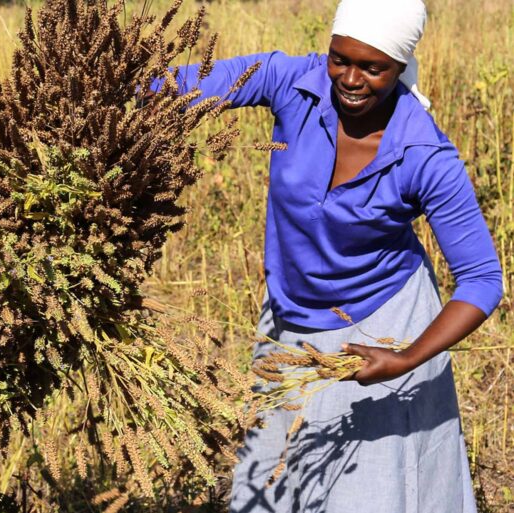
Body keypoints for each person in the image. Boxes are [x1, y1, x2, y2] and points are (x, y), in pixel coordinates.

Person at [159, 0, 503, 511]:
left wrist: (406, 358)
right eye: (340, 59)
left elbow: (482, 279)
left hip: (379, 326)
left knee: (365, 489)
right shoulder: (293, 83)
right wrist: (96, 96)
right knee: (270, 481)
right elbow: (182, 87)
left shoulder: (423, 154)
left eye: (373, 68)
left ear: (400, 66)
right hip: (288, 317)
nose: (351, 79)